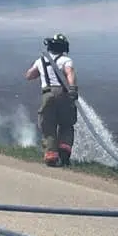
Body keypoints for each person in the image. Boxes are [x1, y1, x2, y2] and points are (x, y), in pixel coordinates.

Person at [25, 33, 77, 167]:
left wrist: (40, 71)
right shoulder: (66, 60)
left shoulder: (41, 61)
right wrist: (72, 88)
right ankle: (64, 151)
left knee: (48, 125)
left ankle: (51, 156)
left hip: (47, 94)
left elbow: (29, 75)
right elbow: (69, 73)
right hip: (64, 94)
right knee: (66, 124)